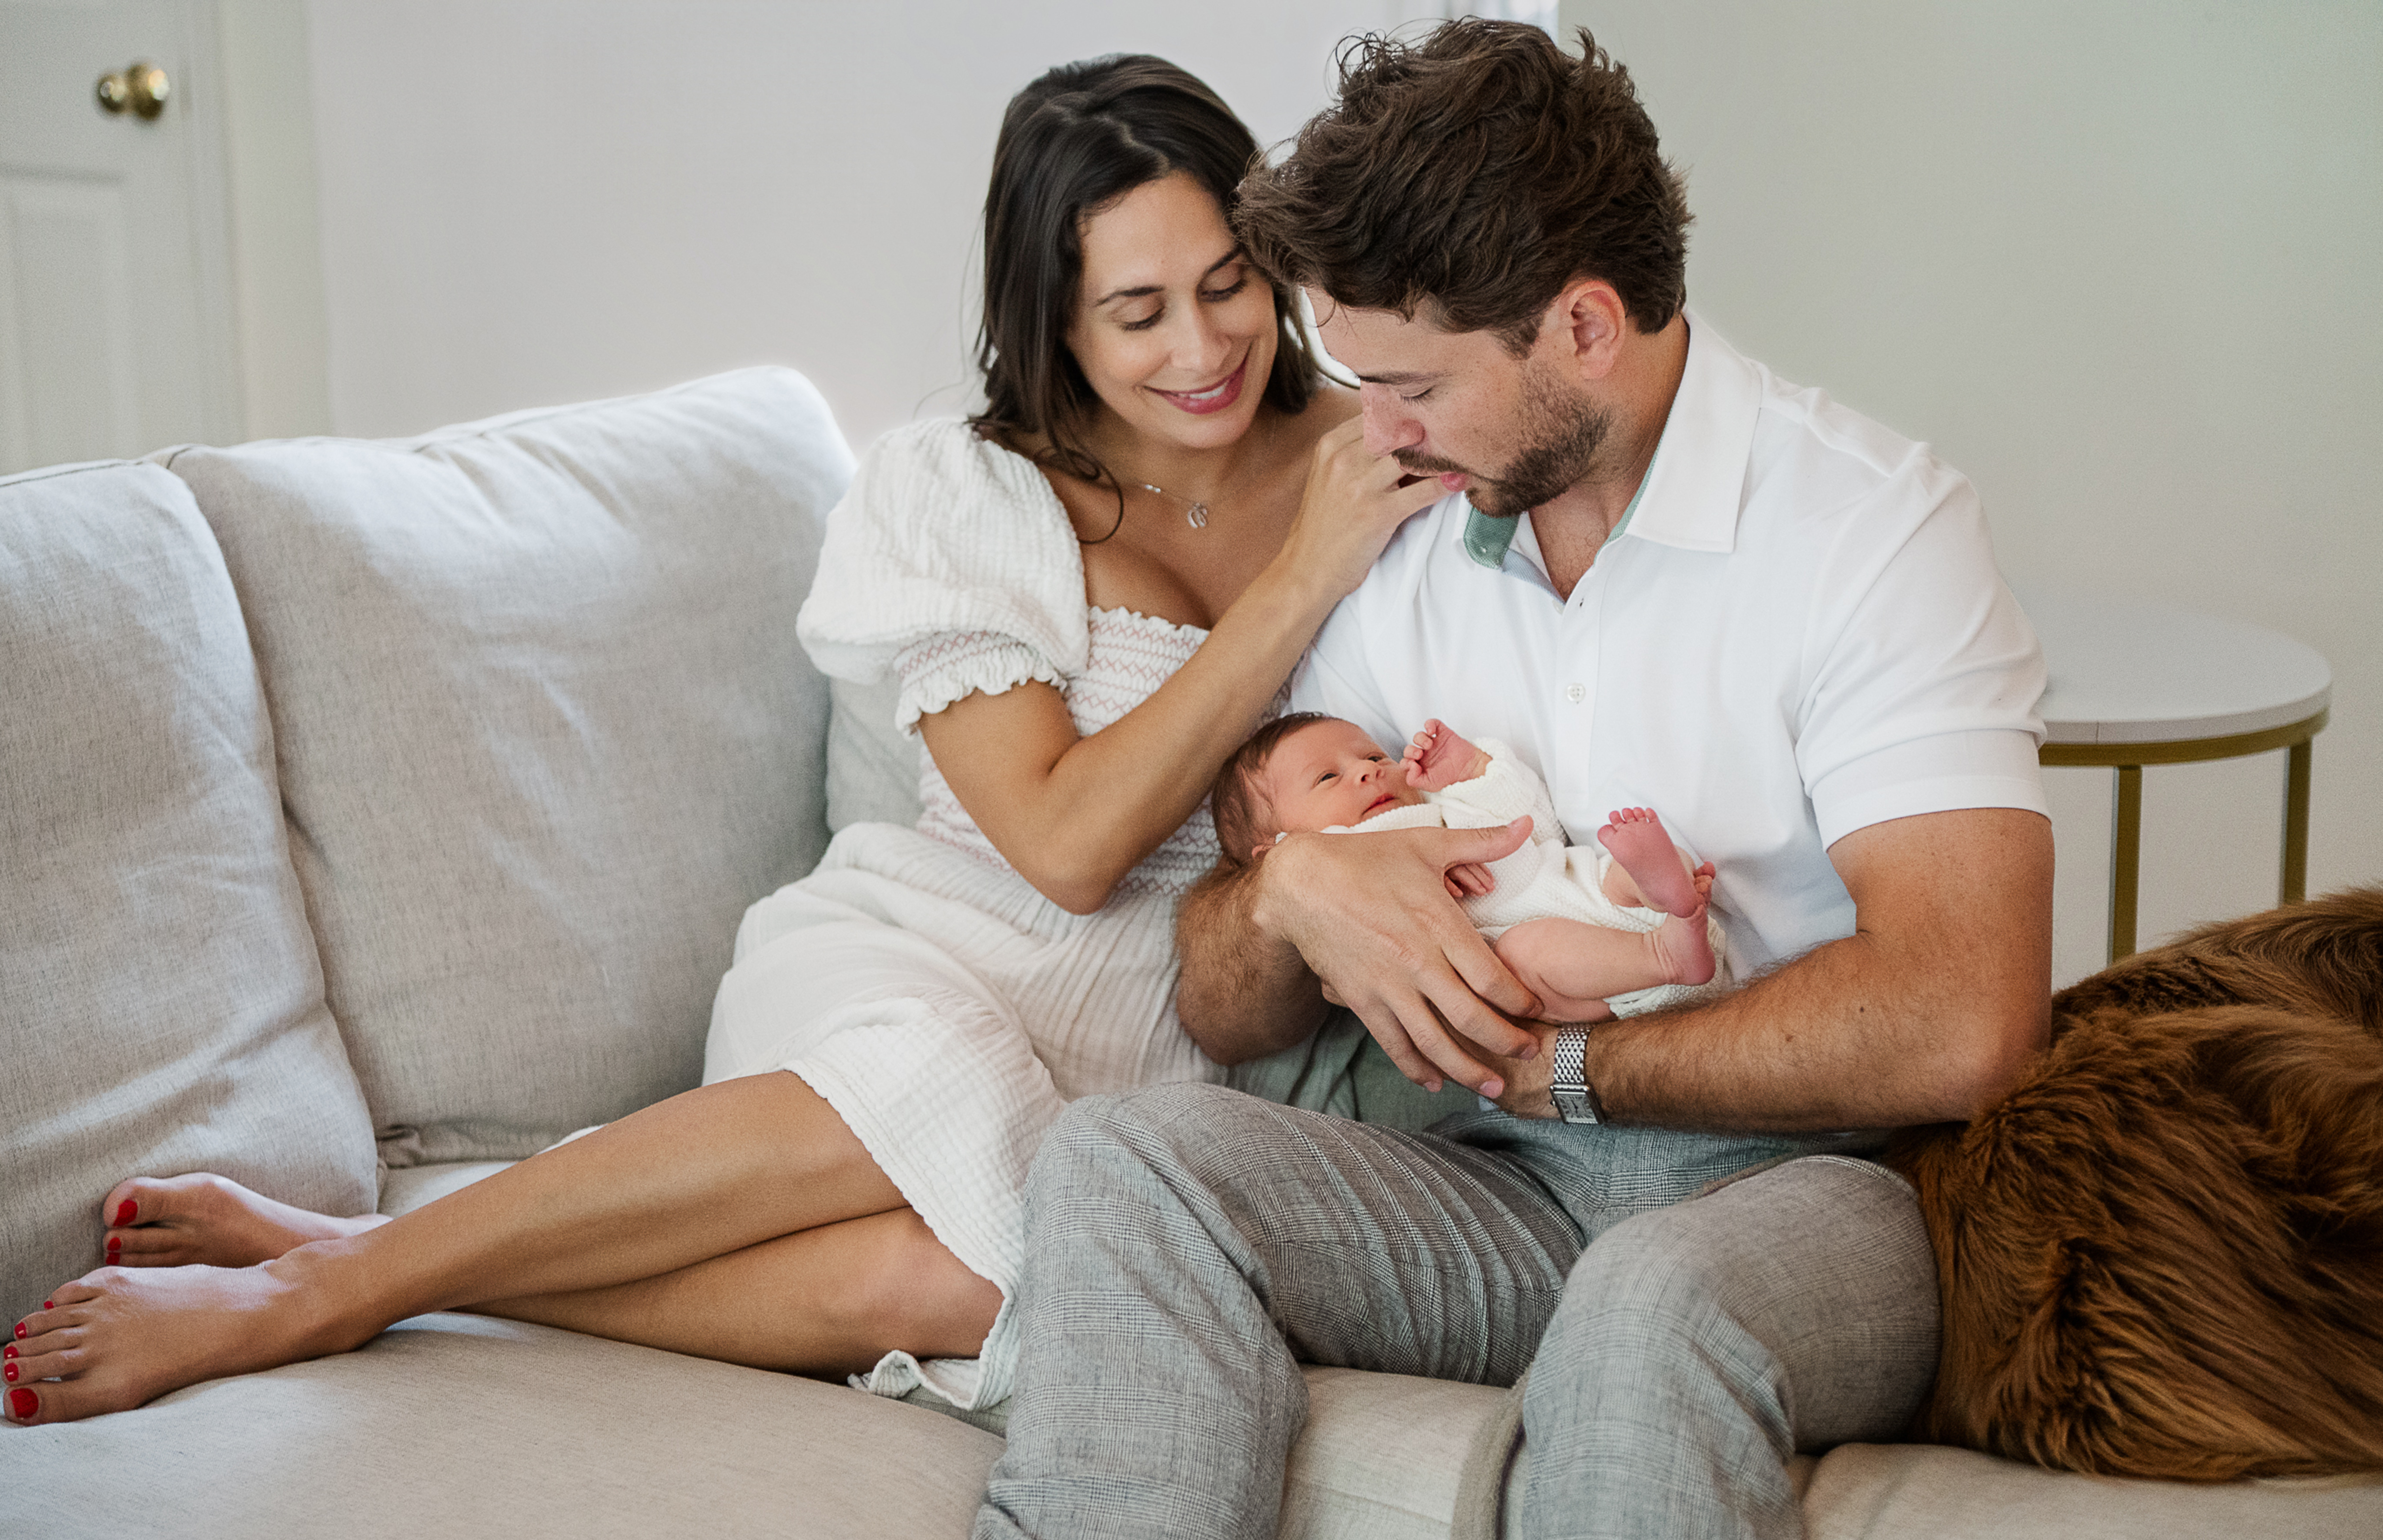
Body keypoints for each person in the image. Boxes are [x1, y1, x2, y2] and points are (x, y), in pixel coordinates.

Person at [0, 55, 1448, 1426]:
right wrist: (1298, 580)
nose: (1203, 349)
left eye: (1226, 285)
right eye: (1137, 314)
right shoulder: (970, 488)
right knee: (930, 1070)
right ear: (1053, 325)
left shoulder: (1368, 449)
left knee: (975, 1282)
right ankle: (326, 1289)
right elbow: (1067, 850)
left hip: (1139, 1052)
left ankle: (401, 1245)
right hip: (917, 962)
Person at [969, 22, 2053, 1540]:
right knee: (1123, 1162)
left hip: (1817, 1189)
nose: (1372, 432)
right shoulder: (1405, 528)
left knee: (1655, 1303)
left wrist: (1574, 1064)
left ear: (1585, 326)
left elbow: (1964, 1013)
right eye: (1357, 379)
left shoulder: (1870, 533)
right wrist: (1286, 896)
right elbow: (1219, 1002)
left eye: (1409, 384)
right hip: (1489, 1181)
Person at [1208, 711, 1724, 1022]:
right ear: (1277, 853)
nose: (1368, 770)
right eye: (1327, 778)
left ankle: (1666, 890)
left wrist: (1477, 771)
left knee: (1617, 871)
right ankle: (1663, 954)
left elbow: (1533, 826)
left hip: (1590, 891)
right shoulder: (1341, 866)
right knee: (1530, 950)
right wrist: (1403, 873)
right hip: (1577, 980)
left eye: (1374, 756)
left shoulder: (1444, 808)